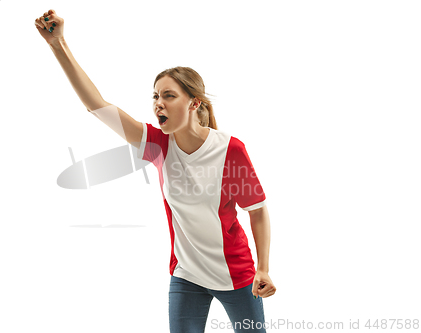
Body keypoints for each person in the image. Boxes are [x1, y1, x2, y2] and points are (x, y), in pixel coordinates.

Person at [35, 9, 276, 333]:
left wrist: (264, 268)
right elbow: (97, 106)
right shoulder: (158, 144)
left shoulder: (229, 150)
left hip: (236, 275)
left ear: (194, 103)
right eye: (156, 96)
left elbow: (256, 212)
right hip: (186, 276)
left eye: (169, 96)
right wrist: (58, 44)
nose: (158, 103)